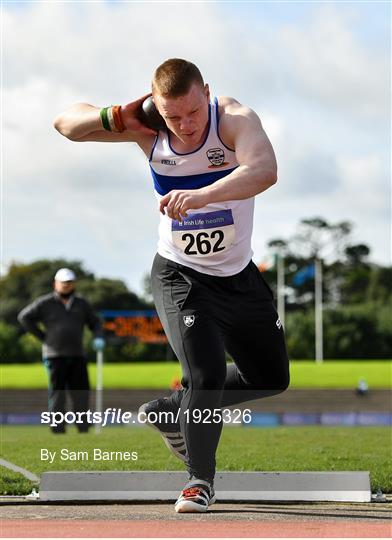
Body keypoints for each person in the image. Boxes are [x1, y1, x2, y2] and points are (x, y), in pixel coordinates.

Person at [53, 59, 290, 511]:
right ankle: (199, 481)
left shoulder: (234, 120)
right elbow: (66, 125)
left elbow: (264, 170)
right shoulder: (149, 128)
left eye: (192, 112)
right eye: (172, 116)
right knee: (206, 373)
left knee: (272, 377)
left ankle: (173, 409)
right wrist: (119, 114)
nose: (184, 125)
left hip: (238, 276)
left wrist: (202, 196)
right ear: (156, 105)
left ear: (207, 92)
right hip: (180, 275)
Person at [18, 268, 105, 434]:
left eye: (69, 283)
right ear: (55, 284)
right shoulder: (45, 303)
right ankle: (58, 429)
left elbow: (95, 322)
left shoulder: (81, 304)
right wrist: (42, 336)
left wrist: (98, 336)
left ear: (74, 284)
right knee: (57, 394)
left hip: (77, 354)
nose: (66, 286)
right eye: (63, 283)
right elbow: (24, 317)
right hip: (54, 356)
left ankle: (83, 428)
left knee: (80, 393)